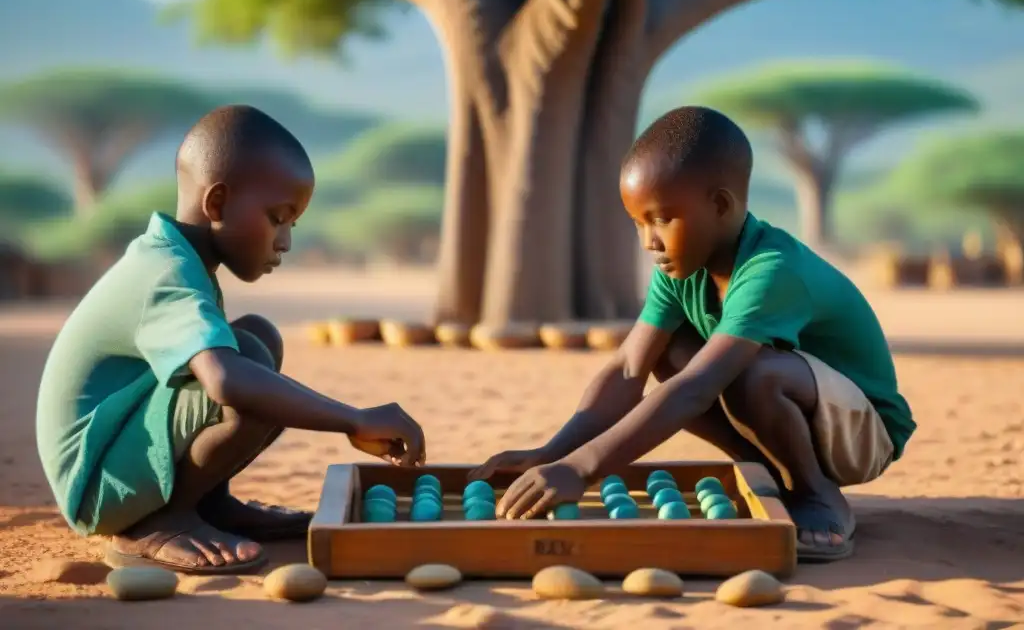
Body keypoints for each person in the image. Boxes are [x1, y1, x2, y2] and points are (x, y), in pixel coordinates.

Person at [470, 106, 915, 562]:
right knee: (670, 353)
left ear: (720, 206)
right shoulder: (682, 268)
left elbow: (697, 389)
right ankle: (773, 470)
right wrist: (553, 455)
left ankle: (817, 492)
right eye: (638, 223)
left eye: (661, 219)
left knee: (751, 374)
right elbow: (628, 368)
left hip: (862, 434)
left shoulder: (771, 271)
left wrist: (582, 470)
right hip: (799, 415)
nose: (649, 242)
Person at [36, 105, 427, 575]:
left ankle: (207, 505)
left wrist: (347, 417)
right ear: (217, 203)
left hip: (114, 455)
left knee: (257, 337)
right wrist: (353, 419)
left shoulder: (178, 259)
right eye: (277, 218)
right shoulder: (166, 275)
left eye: (292, 225)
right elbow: (225, 383)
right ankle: (155, 524)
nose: (283, 242)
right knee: (246, 369)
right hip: (98, 487)